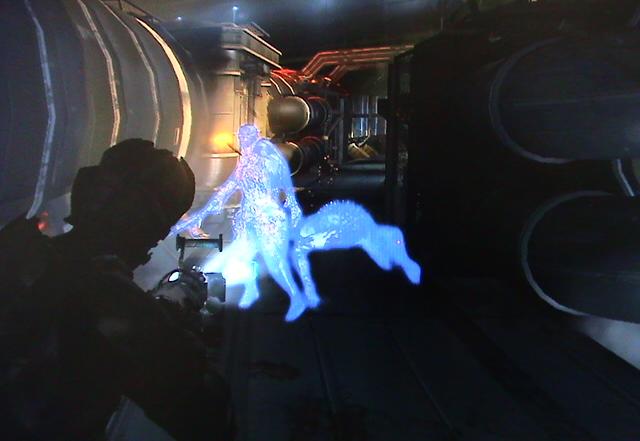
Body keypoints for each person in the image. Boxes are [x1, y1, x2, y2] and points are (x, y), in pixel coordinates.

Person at [0, 139, 234, 441]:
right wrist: (175, 329)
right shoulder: (117, 305)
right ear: (145, 224)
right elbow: (207, 418)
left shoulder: (18, 250)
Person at [172, 124, 310, 321]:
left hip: (267, 215)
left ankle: (295, 296)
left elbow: (284, 184)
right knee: (244, 254)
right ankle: (252, 290)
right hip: (248, 215)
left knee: (274, 260)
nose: (243, 142)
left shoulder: (269, 159)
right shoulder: (244, 166)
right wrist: (201, 215)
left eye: (246, 138)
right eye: (242, 138)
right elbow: (226, 190)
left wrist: (292, 207)